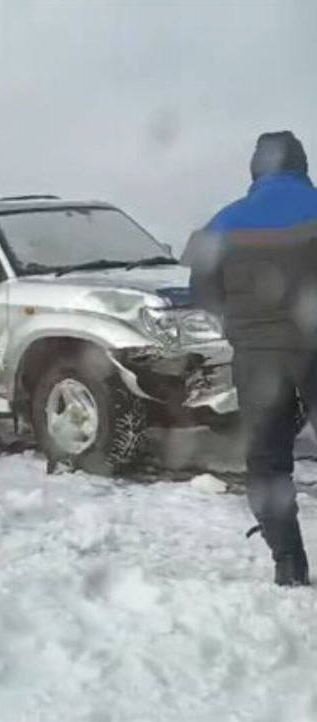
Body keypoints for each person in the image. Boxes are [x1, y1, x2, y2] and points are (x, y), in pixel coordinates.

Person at [184, 131, 317, 586]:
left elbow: (200, 292)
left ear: (256, 170)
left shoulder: (225, 221)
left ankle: (288, 563)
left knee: (266, 463)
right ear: (302, 167)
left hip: (260, 359)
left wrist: (244, 322)